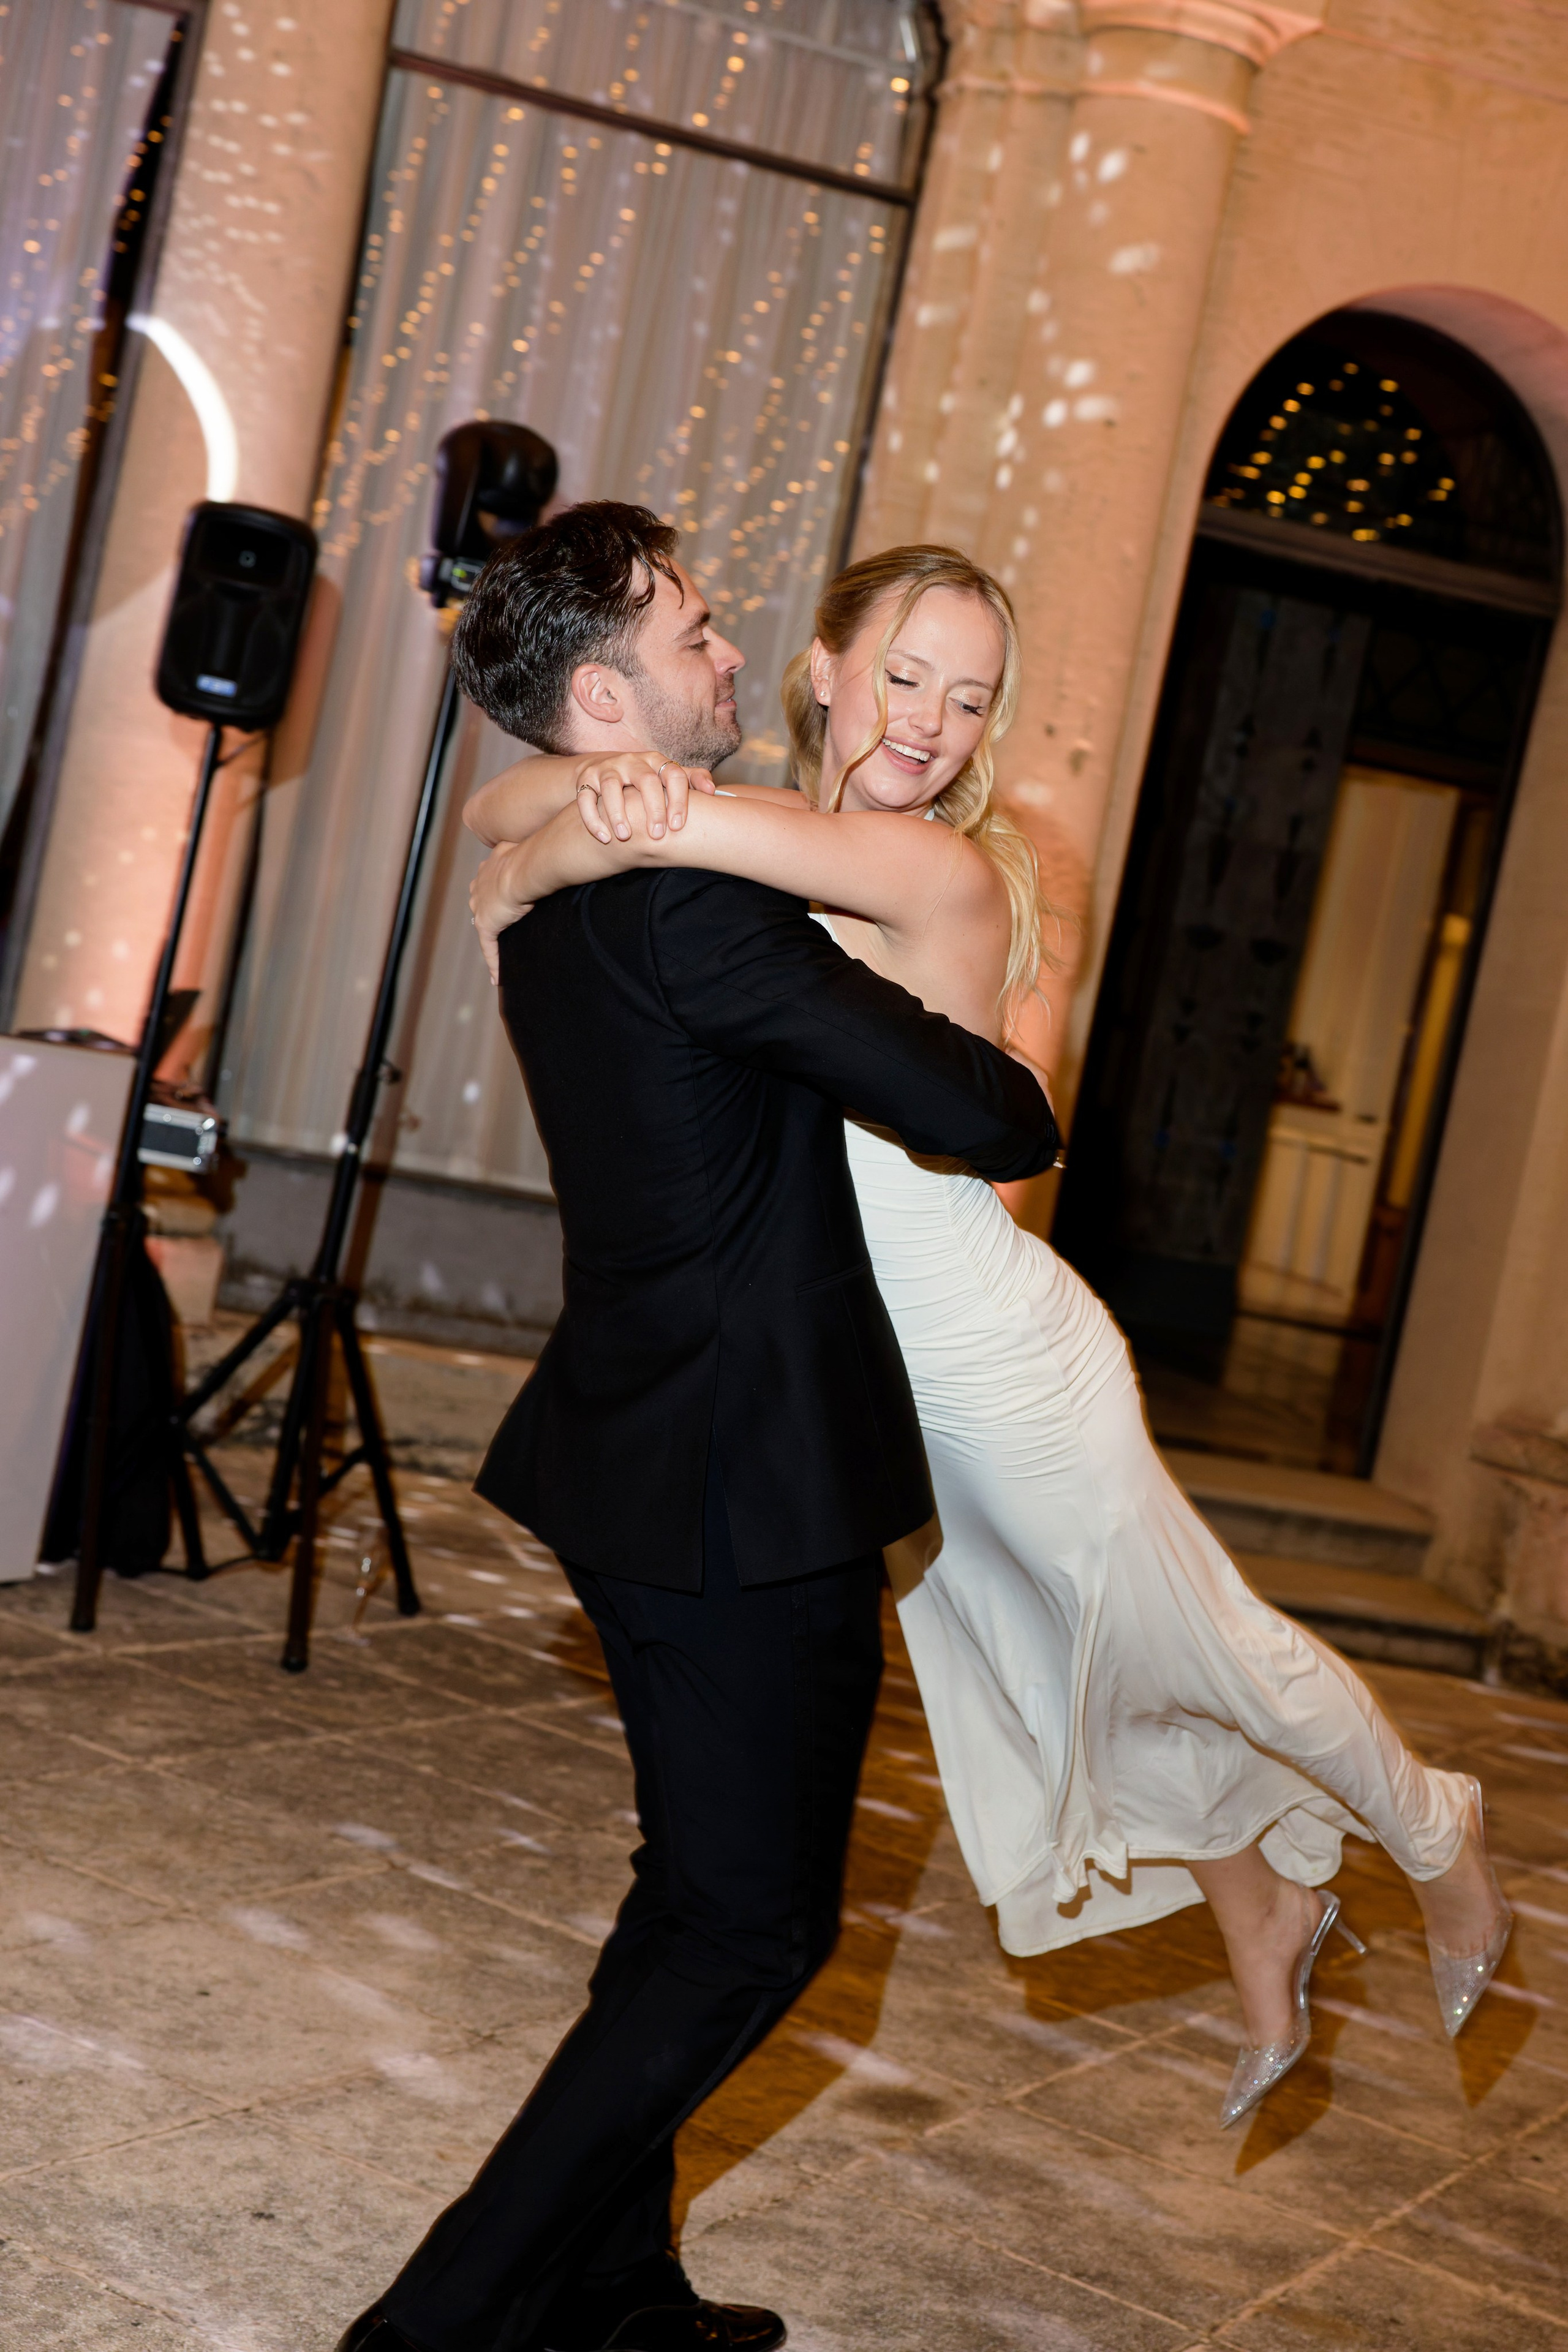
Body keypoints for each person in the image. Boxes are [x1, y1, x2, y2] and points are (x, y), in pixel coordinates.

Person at [467, 540, 1514, 2139]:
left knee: (1193, 1640)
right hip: (871, 1383)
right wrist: (532, 840)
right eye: (902, 677)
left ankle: (1443, 1836)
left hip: (993, 1358)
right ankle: (1268, 1907)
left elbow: (567, 818)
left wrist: (527, 867)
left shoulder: (929, 868)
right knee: (1064, 1678)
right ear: (822, 671)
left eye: (972, 700)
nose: (932, 725)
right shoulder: (796, 842)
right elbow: (526, 803)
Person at [335, 506, 1057, 2352]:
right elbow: (994, 1117)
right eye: (703, 631)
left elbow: (526, 832)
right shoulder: (690, 905)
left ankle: (611, 2284)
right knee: (753, 1932)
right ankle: (438, 2319)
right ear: (605, 692)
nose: (733, 654)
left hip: (635, 1450)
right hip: (746, 1486)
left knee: (690, 1894)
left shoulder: (577, 884)